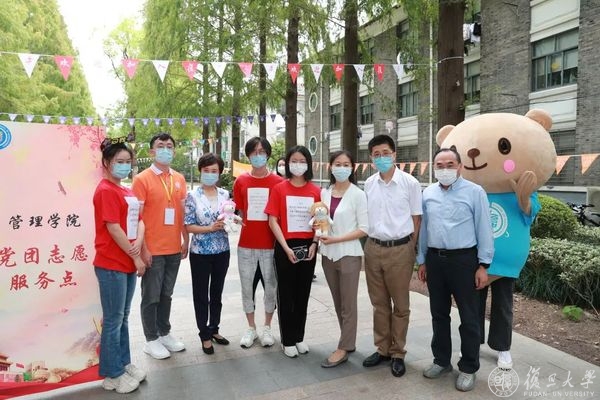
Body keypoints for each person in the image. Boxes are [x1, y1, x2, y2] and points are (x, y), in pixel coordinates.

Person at [416, 148, 494, 392]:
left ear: (460, 166)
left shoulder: (475, 192)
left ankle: (469, 367)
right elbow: (425, 229)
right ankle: (441, 361)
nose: (445, 169)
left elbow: (484, 228)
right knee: (439, 314)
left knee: (469, 317)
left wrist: (483, 265)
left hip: (464, 261)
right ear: (434, 168)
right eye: (440, 165)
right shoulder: (428, 193)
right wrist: (422, 260)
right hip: (435, 260)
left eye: (450, 164)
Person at [362, 134, 422, 378]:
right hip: (373, 248)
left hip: (400, 249)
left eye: (385, 153)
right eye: (376, 154)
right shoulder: (369, 183)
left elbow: (416, 219)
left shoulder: (410, 183)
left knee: (400, 305)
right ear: (371, 158)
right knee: (379, 303)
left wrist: (410, 248)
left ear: (394, 154)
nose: (381, 158)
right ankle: (383, 349)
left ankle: (398, 353)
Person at [93, 140, 147, 394]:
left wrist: (139, 246)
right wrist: (136, 256)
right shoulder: (105, 190)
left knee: (122, 317)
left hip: (126, 263)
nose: (124, 166)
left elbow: (140, 221)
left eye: (128, 162)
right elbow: (113, 228)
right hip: (111, 264)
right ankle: (112, 374)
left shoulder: (125, 191)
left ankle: (123, 364)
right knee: (113, 321)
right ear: (106, 163)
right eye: (119, 162)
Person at [132, 132, 188, 360]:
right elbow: (136, 218)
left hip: (173, 248)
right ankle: (151, 339)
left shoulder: (179, 178)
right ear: (151, 151)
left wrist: (185, 239)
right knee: (151, 296)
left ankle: (164, 333)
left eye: (169, 146)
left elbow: (182, 212)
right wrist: (143, 250)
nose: (166, 149)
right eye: (161, 145)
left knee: (167, 294)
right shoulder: (142, 179)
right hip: (153, 250)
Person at [264, 145, 320, 358]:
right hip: (285, 245)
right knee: (286, 294)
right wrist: (285, 247)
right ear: (288, 164)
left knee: (302, 293)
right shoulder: (279, 188)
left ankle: (299, 336)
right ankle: (287, 339)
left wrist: (315, 243)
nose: (298, 164)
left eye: (302, 161)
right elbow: (273, 220)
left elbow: (320, 221)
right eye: (294, 161)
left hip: (308, 246)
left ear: (308, 164)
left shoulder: (315, 190)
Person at [318, 150, 368, 368]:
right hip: (328, 255)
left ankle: (344, 347)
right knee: (338, 301)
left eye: (346, 164)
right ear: (330, 167)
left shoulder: (358, 194)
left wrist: (336, 239)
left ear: (352, 168)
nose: (341, 168)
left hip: (349, 254)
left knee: (348, 303)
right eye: (337, 164)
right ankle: (347, 340)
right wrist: (319, 233)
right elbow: (321, 221)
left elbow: (364, 228)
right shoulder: (325, 193)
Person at [233, 137, 283, 348]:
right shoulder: (241, 181)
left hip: (270, 245)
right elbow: (239, 211)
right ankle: (251, 328)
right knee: (247, 288)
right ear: (248, 155)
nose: (258, 155)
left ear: (268, 154)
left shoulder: (278, 183)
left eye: (262, 152)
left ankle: (267, 327)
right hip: (246, 244)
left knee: (270, 288)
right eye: (254, 152)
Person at [184, 153, 233, 354]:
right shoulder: (192, 196)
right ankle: (204, 334)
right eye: (206, 170)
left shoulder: (225, 194)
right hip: (200, 252)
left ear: (220, 173)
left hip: (222, 250)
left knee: (217, 293)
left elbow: (229, 217)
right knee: (201, 294)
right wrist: (210, 228)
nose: (210, 174)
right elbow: (188, 226)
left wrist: (232, 222)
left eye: (214, 171)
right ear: (200, 171)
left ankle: (214, 329)